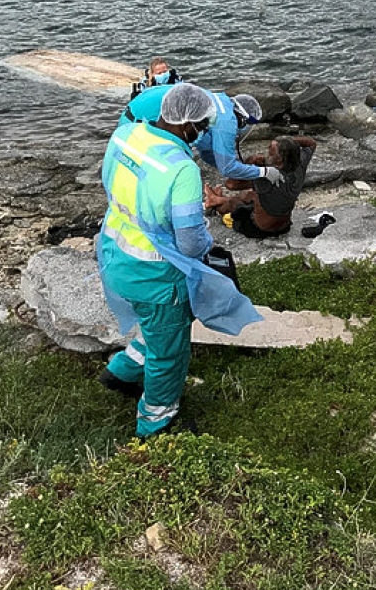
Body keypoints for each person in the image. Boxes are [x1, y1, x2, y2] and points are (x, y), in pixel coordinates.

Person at [96, 83, 261, 438]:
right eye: (201, 126)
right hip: (155, 275)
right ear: (188, 126)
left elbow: (108, 183)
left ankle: (122, 371)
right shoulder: (182, 170)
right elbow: (188, 242)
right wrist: (208, 245)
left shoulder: (126, 134)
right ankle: (156, 421)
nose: (202, 133)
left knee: (152, 329)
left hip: (113, 251)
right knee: (169, 351)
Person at [122, 86, 283, 185]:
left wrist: (239, 167)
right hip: (140, 120)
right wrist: (264, 172)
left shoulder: (221, 100)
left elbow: (207, 153)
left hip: (132, 113)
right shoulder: (227, 121)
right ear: (242, 117)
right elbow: (227, 168)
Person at [202, 135, 317, 238]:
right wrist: (288, 142)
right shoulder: (300, 162)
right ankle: (217, 199)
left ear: (279, 158)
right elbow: (311, 142)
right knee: (250, 195)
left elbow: (231, 184)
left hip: (260, 228)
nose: (267, 153)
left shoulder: (268, 176)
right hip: (284, 225)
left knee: (237, 205)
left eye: (270, 152)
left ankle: (216, 203)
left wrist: (250, 162)